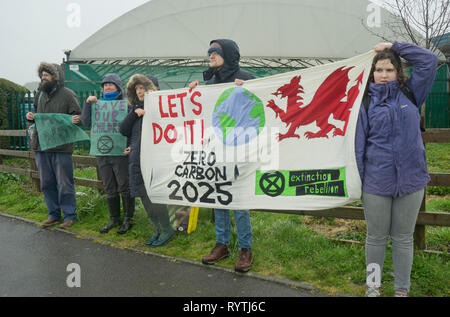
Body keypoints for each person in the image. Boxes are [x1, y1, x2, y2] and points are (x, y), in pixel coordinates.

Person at [355, 42, 437, 297]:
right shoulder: (365, 102)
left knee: (403, 239)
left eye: (389, 69)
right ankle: (373, 286)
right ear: (372, 73)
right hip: (377, 182)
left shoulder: (412, 93)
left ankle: (402, 290)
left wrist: (394, 46)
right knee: (376, 238)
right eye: (378, 69)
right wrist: (358, 181)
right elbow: (359, 146)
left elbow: (429, 61)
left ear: (398, 71)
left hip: (411, 181)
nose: (383, 74)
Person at [189, 39, 255, 273]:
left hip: (238, 148)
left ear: (228, 54)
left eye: (215, 51)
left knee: (238, 198)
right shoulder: (210, 81)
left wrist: (249, 89)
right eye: (209, 52)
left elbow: (263, 104)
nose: (211, 55)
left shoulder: (246, 77)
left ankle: (246, 248)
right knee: (218, 195)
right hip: (215, 148)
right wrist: (193, 95)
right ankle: (222, 244)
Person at [119, 74, 175, 247]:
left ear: (152, 88)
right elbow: (124, 130)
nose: (140, 91)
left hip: (154, 160)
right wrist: (134, 115)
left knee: (154, 196)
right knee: (144, 196)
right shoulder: (135, 109)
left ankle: (167, 230)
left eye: (143, 87)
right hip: (137, 159)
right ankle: (157, 229)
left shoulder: (161, 108)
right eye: (137, 88)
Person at [26, 62, 82, 229]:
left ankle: (69, 215)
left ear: (55, 77)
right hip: (41, 145)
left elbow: (78, 116)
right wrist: (31, 116)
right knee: (46, 182)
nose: (43, 78)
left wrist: (76, 120)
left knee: (64, 182)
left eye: (47, 75)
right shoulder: (40, 95)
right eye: (42, 75)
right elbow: (36, 113)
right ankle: (53, 214)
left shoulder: (68, 94)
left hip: (61, 147)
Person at [80, 74, 135, 234]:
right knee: (109, 186)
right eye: (105, 85)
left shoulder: (126, 105)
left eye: (111, 85)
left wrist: (131, 145)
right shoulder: (97, 104)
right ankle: (114, 218)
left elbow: (132, 126)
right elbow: (86, 122)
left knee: (124, 185)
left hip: (120, 152)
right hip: (102, 153)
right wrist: (87, 104)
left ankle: (128, 219)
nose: (108, 87)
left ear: (118, 88)